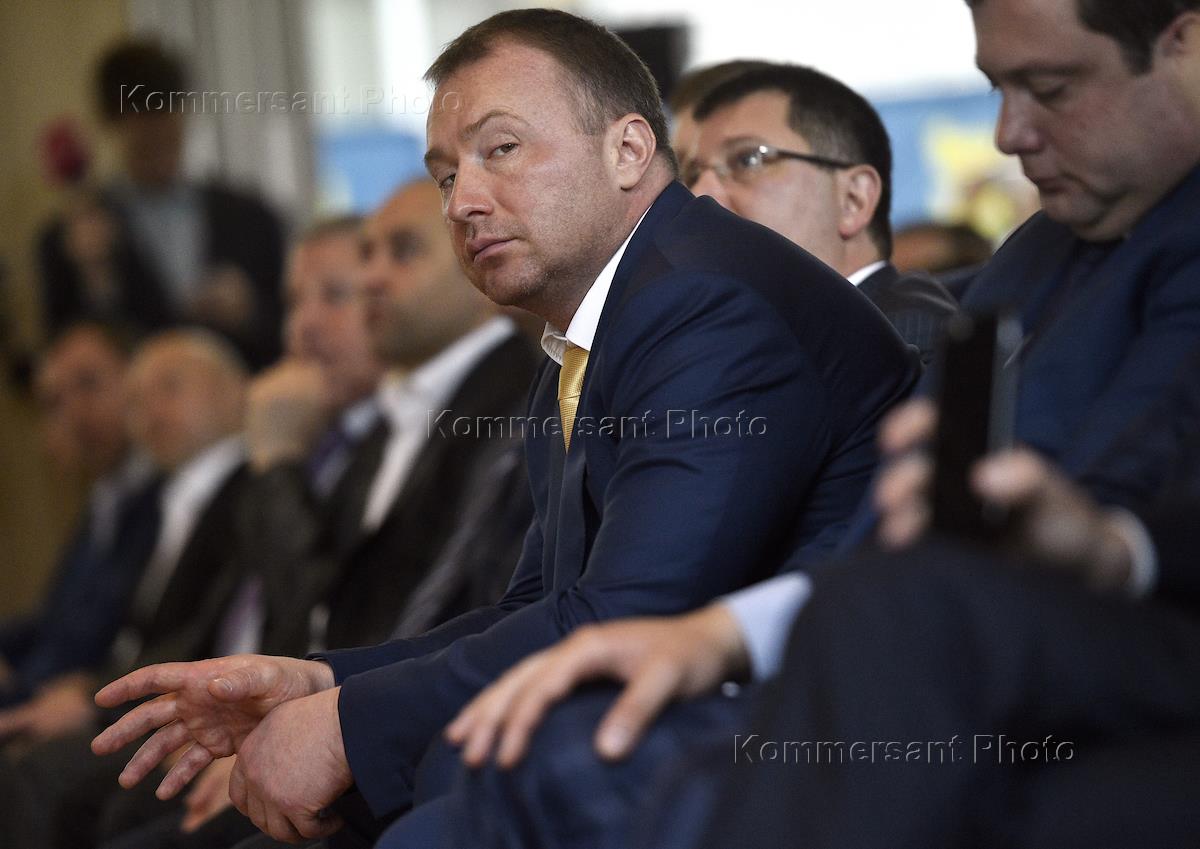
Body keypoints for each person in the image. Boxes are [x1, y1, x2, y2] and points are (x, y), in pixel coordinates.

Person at [91, 8, 920, 846]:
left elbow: (626, 619)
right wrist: (320, 682)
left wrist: (344, 725)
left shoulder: (704, 302)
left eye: (502, 149)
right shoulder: (585, 341)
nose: (464, 202)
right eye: (446, 175)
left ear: (629, 150)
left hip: (789, 767)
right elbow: (535, 605)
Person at [406, 0, 1200, 847]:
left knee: (552, 764)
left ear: (1185, 47)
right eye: (999, 89)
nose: (1009, 134)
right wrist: (724, 635)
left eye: (1052, 86)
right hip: (896, 638)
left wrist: (1113, 548)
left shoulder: (712, 308)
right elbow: (877, 543)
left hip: (1034, 664)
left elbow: (1102, 521)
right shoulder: (1032, 256)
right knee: (525, 762)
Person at [0, 329, 252, 849]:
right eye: (137, 401)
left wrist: (92, 698)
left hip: (198, 699)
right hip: (142, 693)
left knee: (49, 779)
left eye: (170, 387)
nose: (150, 412)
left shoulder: (252, 490)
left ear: (236, 390)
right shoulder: (161, 498)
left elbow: (202, 632)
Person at [37, 39, 286, 369]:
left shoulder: (251, 218)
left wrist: (249, 312)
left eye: (170, 133)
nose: (160, 149)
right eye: (145, 138)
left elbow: (288, 330)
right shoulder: (70, 238)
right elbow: (63, 360)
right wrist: (95, 279)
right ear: (110, 124)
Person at [685, 64, 958, 363]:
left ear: (853, 199)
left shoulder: (906, 339)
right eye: (692, 175)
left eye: (747, 159)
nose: (699, 193)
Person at [0, 325, 159, 717]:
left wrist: (23, 687)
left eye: (88, 384)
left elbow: (99, 639)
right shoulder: (104, 499)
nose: (75, 414)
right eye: (54, 401)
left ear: (141, 382)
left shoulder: (168, 499)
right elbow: (55, 622)